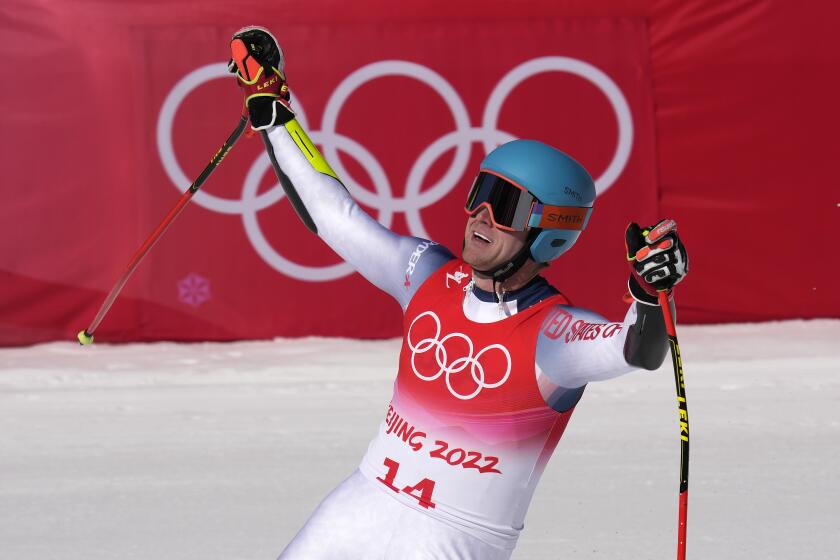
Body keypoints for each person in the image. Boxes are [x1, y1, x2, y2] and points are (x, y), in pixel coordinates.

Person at [228, 26, 689, 560]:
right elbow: (335, 215)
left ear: (551, 230)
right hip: (364, 502)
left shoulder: (552, 334)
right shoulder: (424, 272)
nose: (480, 216)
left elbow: (638, 349)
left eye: (506, 205)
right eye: (480, 193)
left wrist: (649, 292)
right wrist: (275, 111)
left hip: (454, 537)